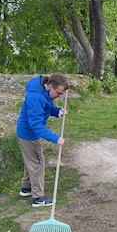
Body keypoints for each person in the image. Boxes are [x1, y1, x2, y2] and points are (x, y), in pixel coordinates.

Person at [16, 73, 69, 207]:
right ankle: (38, 198)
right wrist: (55, 138)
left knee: (31, 161)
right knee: (38, 163)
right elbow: (35, 124)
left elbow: (46, 107)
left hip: (26, 133)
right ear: (50, 86)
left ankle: (26, 188)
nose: (59, 96)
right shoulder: (35, 97)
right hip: (29, 134)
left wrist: (57, 111)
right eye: (58, 93)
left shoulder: (42, 91)